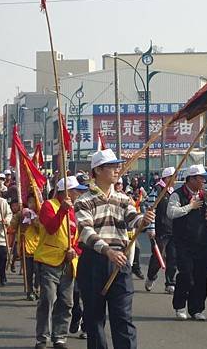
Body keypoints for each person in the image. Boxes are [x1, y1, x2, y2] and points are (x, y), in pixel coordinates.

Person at [75, 149, 155, 349]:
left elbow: (132, 219)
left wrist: (143, 221)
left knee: (123, 318)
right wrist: (108, 251)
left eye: (117, 166)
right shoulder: (83, 201)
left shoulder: (123, 198)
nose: (117, 170)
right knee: (94, 319)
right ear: (98, 170)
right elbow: (86, 232)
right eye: (112, 166)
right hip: (94, 262)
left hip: (120, 263)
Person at [34, 176, 87, 349]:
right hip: (49, 260)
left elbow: (80, 238)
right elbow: (51, 227)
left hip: (69, 263)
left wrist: (76, 251)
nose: (79, 193)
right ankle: (42, 338)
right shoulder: (49, 205)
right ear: (66, 192)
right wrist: (62, 211)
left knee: (66, 302)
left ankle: (60, 336)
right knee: (47, 300)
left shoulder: (77, 210)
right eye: (76, 190)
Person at [167, 164, 207, 321]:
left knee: (201, 277)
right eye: (200, 178)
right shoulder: (177, 195)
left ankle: (197, 309)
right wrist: (190, 206)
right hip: (184, 243)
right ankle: (180, 306)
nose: (203, 181)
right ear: (191, 179)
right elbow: (171, 213)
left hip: (203, 242)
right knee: (187, 275)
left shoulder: (204, 195)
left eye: (204, 178)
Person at [144, 166, 177, 295]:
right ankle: (151, 276)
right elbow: (151, 210)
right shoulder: (157, 190)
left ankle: (170, 283)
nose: (175, 180)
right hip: (160, 230)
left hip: (173, 230)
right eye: (173, 177)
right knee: (158, 258)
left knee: (173, 257)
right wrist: (151, 228)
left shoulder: (173, 191)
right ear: (167, 177)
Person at [9, 192, 41, 301]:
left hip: (39, 247)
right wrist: (19, 215)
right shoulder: (21, 213)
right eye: (29, 202)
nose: (31, 204)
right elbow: (12, 225)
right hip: (25, 246)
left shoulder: (40, 214)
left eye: (33, 202)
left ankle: (37, 288)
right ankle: (29, 291)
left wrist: (33, 218)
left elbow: (42, 228)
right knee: (28, 271)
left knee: (38, 271)